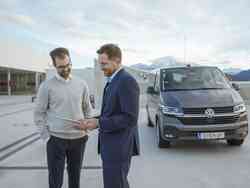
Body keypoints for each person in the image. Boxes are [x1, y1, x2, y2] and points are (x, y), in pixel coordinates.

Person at [78, 43, 140, 188]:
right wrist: (94, 120)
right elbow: (112, 112)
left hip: (119, 147)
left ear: (117, 61)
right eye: (100, 63)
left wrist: (99, 123)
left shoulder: (126, 81)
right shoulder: (113, 81)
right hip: (111, 146)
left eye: (104, 63)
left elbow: (130, 118)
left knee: (115, 184)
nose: (101, 67)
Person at [34, 47, 93, 188]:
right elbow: (39, 113)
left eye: (68, 65)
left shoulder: (81, 84)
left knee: (75, 178)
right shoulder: (46, 86)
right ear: (54, 66)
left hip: (79, 139)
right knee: (55, 180)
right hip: (56, 140)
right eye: (61, 67)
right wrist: (46, 136)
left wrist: (87, 129)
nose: (66, 69)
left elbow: (87, 108)